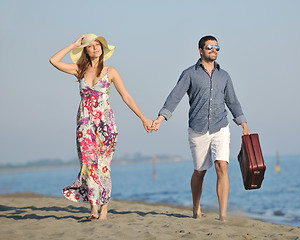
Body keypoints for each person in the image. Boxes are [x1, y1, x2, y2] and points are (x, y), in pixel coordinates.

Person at [49, 34, 154, 220]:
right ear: (85, 50)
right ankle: (94, 209)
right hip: (85, 124)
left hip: (106, 125)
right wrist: (73, 44)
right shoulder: (78, 70)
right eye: (91, 46)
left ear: (102, 49)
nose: (95, 48)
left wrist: (143, 118)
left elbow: (126, 97)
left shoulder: (110, 71)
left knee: (103, 166)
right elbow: (53, 61)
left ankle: (104, 210)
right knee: (89, 165)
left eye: (98, 45)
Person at [152, 35, 251, 221]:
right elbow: (175, 97)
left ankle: (222, 215)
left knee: (222, 166)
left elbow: (232, 101)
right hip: (197, 129)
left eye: (217, 47)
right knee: (200, 171)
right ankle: (196, 208)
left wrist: (244, 124)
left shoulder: (224, 76)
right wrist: (160, 118)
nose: (214, 50)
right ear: (200, 50)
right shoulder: (189, 73)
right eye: (209, 47)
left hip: (221, 126)